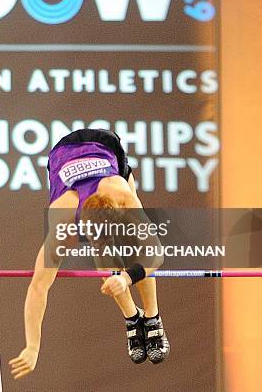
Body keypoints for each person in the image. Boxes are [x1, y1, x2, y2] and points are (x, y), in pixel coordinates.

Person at [9, 129, 170, 380]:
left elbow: (155, 253)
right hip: (62, 154)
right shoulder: (63, 223)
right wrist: (32, 346)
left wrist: (127, 278)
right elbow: (38, 287)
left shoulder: (124, 197)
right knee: (106, 263)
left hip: (104, 145)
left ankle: (152, 318)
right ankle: (131, 317)